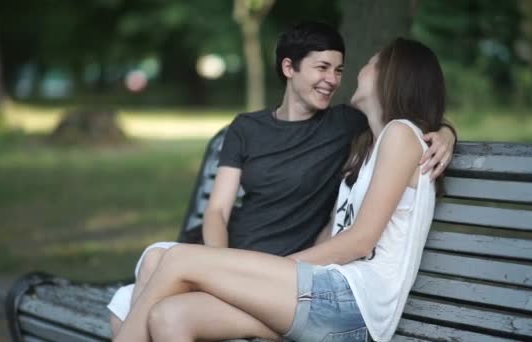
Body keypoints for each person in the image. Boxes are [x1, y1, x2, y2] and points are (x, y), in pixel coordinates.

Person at [108, 21, 456, 337]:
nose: (341, 76)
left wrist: (445, 132)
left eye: (365, 64)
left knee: (177, 260)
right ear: (289, 68)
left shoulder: (395, 134)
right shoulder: (368, 144)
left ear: (390, 76)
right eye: (323, 67)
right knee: (169, 316)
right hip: (322, 291)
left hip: (350, 301)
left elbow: (360, 241)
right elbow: (335, 231)